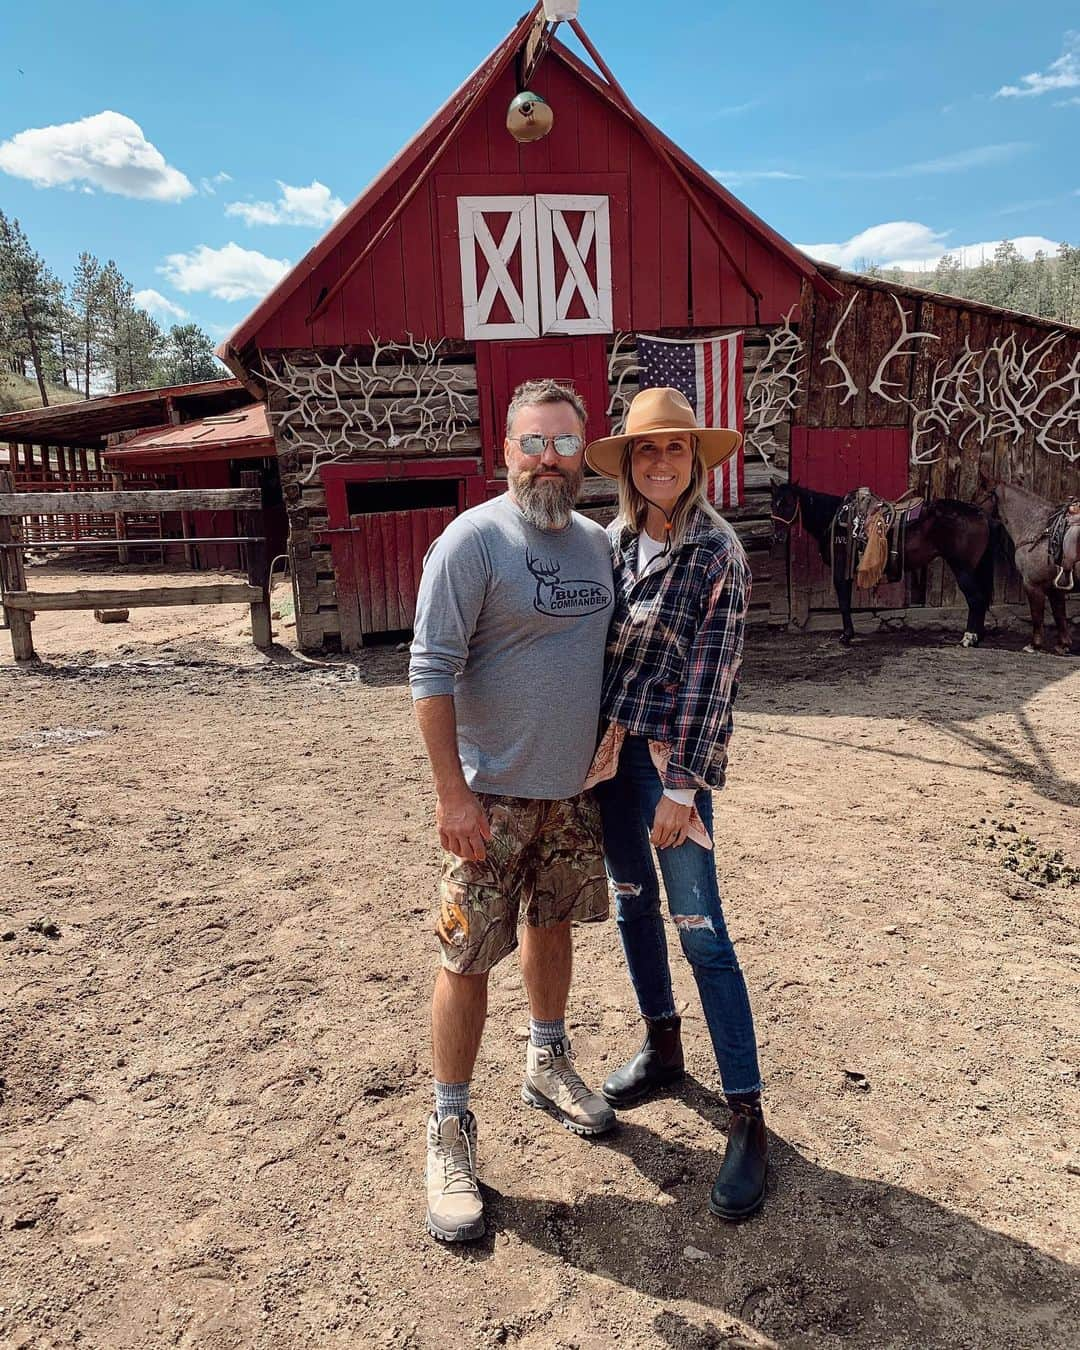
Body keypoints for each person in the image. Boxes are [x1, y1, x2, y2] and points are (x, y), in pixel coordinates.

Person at [410, 378, 617, 1243]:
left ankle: (547, 1059)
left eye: (564, 445)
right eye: (532, 442)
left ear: (583, 456)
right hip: (488, 796)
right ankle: (448, 1126)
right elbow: (428, 671)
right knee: (465, 956)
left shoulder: (602, 546)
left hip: (572, 794)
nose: (547, 459)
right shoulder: (471, 543)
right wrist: (452, 794)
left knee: (554, 926)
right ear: (505, 450)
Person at [583, 386, 768, 1220]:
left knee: (703, 930)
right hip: (611, 760)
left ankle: (746, 1112)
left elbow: (712, 677)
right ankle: (662, 1045)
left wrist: (684, 787)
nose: (660, 462)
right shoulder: (614, 543)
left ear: (696, 462)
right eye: (646, 451)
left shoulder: (717, 553)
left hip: (666, 766)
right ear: (628, 465)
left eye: (675, 450)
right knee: (633, 905)